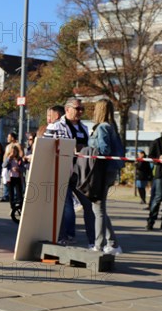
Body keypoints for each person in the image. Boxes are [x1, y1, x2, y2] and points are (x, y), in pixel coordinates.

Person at [44, 98, 95, 247]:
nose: (80, 112)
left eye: (82, 109)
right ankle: (65, 236)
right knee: (66, 205)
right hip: (62, 170)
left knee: (89, 205)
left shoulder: (85, 128)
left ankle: (93, 240)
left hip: (81, 173)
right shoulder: (56, 126)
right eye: (77, 109)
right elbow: (46, 146)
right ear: (67, 109)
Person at [87, 99, 123, 255]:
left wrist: (89, 149)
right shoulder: (112, 127)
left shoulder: (102, 128)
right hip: (109, 171)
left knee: (98, 209)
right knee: (99, 209)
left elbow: (104, 150)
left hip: (101, 171)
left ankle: (99, 245)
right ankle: (113, 243)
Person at [3, 144, 24, 213]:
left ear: (17, 152)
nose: (13, 153)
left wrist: (18, 169)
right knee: (11, 195)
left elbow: (23, 168)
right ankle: (13, 208)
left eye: (14, 152)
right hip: (10, 178)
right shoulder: (9, 158)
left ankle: (21, 208)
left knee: (19, 195)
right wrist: (9, 158)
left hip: (17, 178)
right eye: (12, 152)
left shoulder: (19, 159)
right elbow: (4, 165)